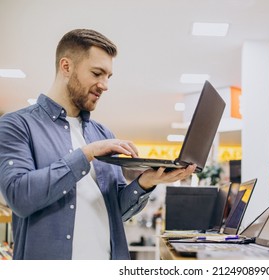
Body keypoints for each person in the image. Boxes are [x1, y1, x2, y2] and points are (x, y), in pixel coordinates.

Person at [0, 29, 196, 260]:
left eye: (108, 77)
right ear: (66, 67)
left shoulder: (101, 133)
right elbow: (19, 197)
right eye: (96, 73)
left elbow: (116, 211)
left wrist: (146, 182)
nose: (104, 85)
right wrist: (86, 154)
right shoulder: (16, 124)